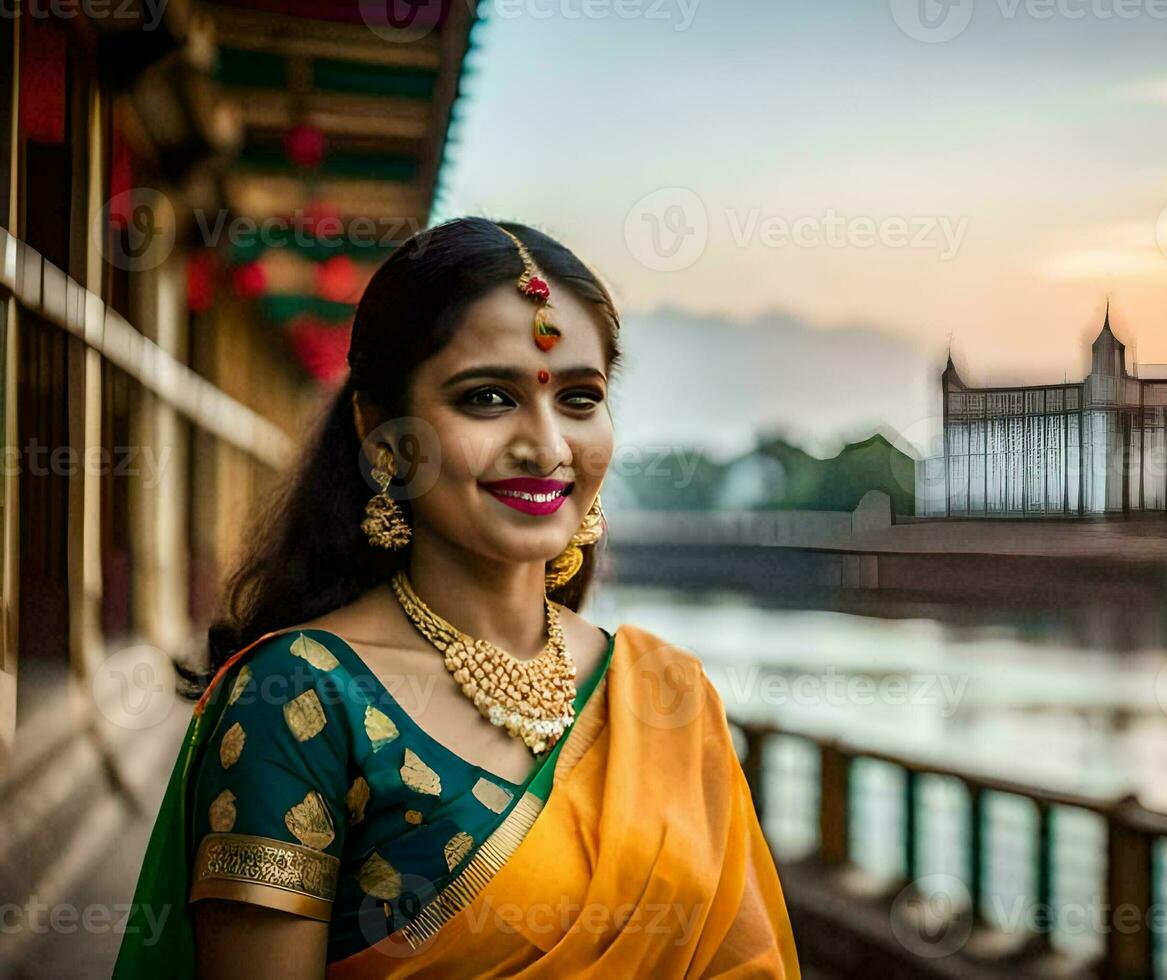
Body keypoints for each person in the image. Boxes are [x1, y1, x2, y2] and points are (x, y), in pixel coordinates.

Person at [114, 218, 800, 978]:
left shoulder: (669, 695)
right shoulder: (299, 700)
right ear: (383, 432)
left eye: (579, 398)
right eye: (487, 397)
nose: (546, 446)